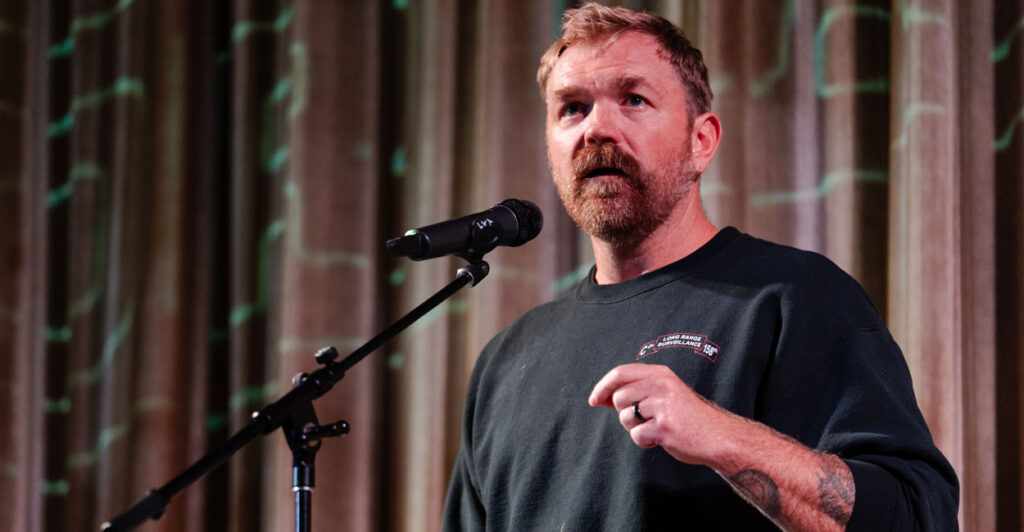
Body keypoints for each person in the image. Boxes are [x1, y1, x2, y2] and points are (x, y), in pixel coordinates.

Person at [442, 4, 959, 531]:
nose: (597, 128)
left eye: (634, 99)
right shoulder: (507, 362)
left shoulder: (794, 298)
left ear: (701, 141)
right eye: (572, 108)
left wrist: (722, 437)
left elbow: (920, 516)